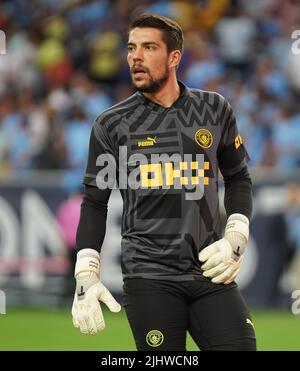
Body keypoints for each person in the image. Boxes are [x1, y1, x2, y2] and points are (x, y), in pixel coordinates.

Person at [71, 13, 256, 351]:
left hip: (209, 271)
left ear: (174, 58)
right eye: (130, 48)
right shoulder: (112, 124)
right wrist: (86, 271)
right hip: (149, 276)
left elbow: (239, 177)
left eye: (148, 47)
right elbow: (95, 202)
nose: (135, 57)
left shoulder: (214, 109)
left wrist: (237, 234)